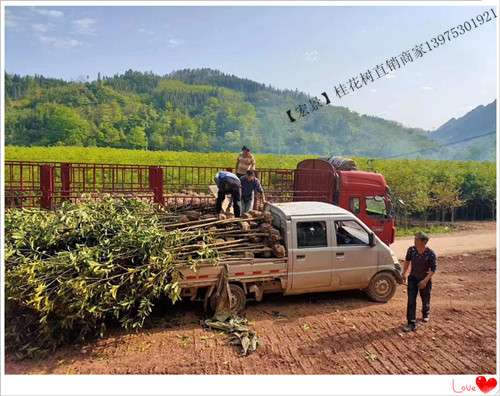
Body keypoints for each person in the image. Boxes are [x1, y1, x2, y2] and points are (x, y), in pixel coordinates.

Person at [402, 231, 437, 332]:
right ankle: (411, 323)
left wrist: (425, 281)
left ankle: (426, 313)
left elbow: (433, 269)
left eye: (417, 239)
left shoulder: (430, 253)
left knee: (425, 298)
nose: (414, 240)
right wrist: (404, 273)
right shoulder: (411, 250)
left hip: (425, 279)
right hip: (413, 278)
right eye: (415, 238)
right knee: (411, 300)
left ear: (423, 241)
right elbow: (407, 261)